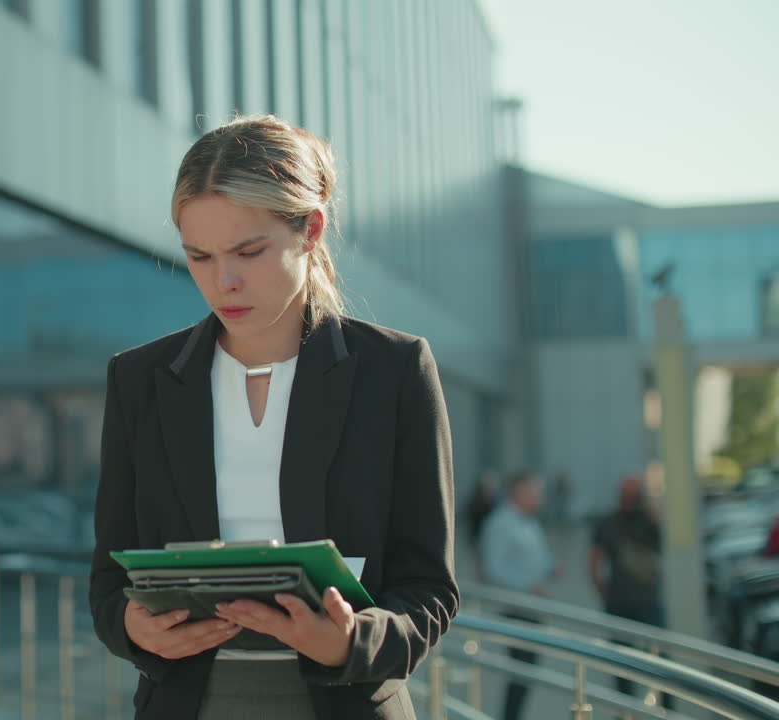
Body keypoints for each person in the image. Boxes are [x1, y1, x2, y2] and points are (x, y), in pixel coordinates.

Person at [89, 115, 459, 720]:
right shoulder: (138, 382)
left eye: (248, 251)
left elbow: (431, 588)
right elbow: (108, 583)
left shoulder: (395, 371)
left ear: (310, 230)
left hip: (349, 705)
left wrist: (350, 640)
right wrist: (132, 628)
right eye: (199, 257)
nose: (222, 281)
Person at [478, 470, 554, 720]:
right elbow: (494, 568)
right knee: (520, 673)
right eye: (534, 492)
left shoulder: (529, 521)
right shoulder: (500, 523)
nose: (538, 497)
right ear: (519, 492)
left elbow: (537, 560)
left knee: (527, 673)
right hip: (515, 608)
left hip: (533, 607)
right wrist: (527, 585)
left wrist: (549, 570)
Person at [590, 473, 664, 698]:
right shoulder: (608, 522)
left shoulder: (648, 518)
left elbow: (663, 535)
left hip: (649, 601)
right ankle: (625, 711)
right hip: (620, 603)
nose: (631, 496)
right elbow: (593, 560)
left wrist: (650, 499)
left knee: (660, 661)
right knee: (622, 665)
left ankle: (663, 707)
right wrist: (603, 592)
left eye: (635, 491)